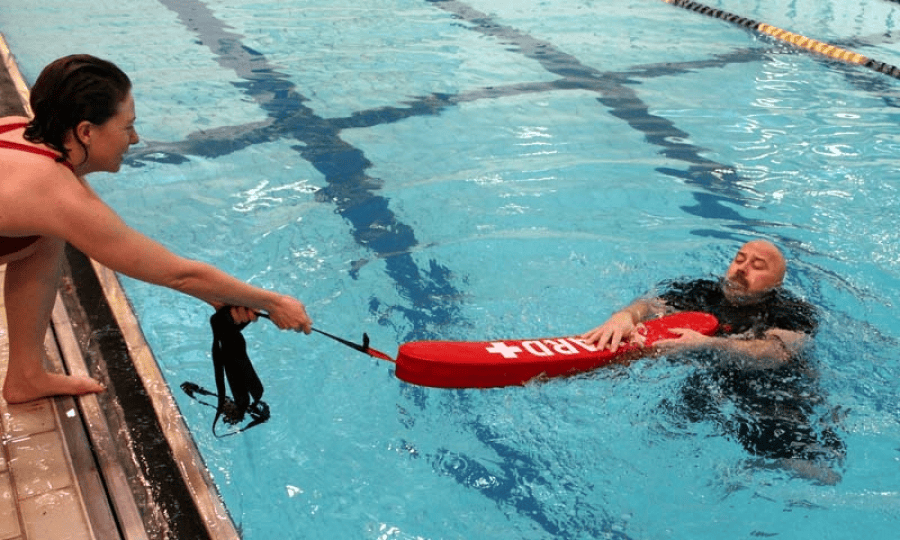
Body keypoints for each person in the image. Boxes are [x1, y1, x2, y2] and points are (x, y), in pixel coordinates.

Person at [0, 54, 312, 404]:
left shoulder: (17, 130)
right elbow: (178, 274)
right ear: (86, 131)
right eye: (127, 126)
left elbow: (135, 248)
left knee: (46, 237)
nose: (134, 139)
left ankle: (26, 374)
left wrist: (217, 295)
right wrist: (274, 301)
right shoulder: (56, 195)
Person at [581, 239, 844, 483]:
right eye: (740, 259)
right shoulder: (703, 292)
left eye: (757, 266)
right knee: (666, 425)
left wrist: (707, 344)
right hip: (708, 374)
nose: (742, 269)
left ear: (776, 282)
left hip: (769, 387)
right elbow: (649, 305)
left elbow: (775, 351)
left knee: (814, 470)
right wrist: (625, 317)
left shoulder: (793, 312)